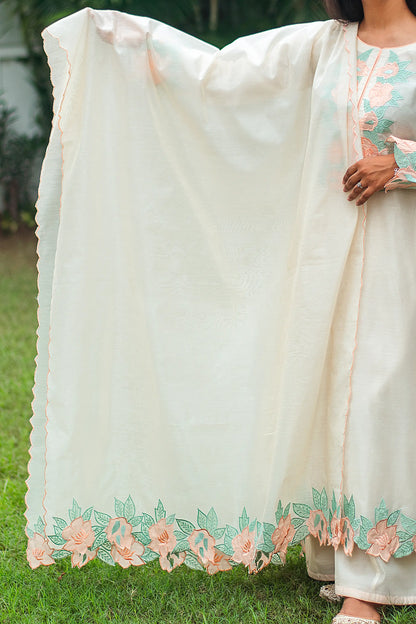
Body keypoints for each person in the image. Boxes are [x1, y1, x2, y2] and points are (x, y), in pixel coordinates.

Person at [26, 3, 416, 624]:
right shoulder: (325, 46)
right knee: (335, 397)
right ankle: (344, 552)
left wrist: (402, 163)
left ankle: (368, 587)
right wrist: (134, 44)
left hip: (403, 263)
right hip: (326, 263)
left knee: (379, 397)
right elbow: (226, 76)